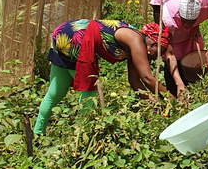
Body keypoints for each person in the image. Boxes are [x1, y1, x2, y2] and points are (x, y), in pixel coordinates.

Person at [33, 19, 171, 135]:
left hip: (64, 32)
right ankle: (81, 135)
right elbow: (147, 78)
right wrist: (173, 102)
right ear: (152, 45)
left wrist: (153, 102)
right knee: (89, 92)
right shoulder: (136, 41)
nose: (155, 59)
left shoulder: (135, 41)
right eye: (157, 54)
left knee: (55, 92)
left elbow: (134, 81)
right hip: (77, 38)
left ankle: (37, 134)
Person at [150, 0, 208, 96]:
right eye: (184, 21)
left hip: (188, 4)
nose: (186, 26)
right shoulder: (168, 15)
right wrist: (179, 84)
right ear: (179, 15)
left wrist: (195, 26)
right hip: (164, 1)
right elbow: (170, 54)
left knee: (188, 43)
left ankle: (186, 74)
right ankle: (174, 82)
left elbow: (195, 20)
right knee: (169, 48)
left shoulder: (204, 6)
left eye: (190, 22)